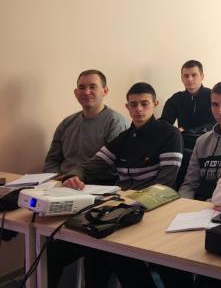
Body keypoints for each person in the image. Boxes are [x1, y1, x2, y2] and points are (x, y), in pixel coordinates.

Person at [53, 83, 184, 288]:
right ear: (127, 107)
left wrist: (125, 205)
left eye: (144, 104)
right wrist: (74, 176)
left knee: (109, 251)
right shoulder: (123, 138)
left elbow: (164, 184)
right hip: (120, 209)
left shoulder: (169, 134)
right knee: (78, 251)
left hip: (152, 210)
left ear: (155, 104)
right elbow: (90, 166)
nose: (138, 109)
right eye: (133, 104)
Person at [43, 69, 128, 177]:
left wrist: (76, 178)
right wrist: (56, 178)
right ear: (76, 93)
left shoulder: (115, 123)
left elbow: (113, 164)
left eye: (93, 87)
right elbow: (52, 160)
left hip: (96, 184)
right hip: (62, 182)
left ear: (105, 91)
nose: (86, 92)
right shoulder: (66, 123)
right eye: (82, 87)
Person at [161, 60, 215, 149]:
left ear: (202, 76)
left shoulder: (213, 96)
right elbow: (164, 123)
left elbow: (218, 123)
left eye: (194, 75)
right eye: (186, 76)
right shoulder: (176, 98)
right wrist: (174, 131)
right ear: (182, 78)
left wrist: (190, 131)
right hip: (185, 145)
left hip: (210, 143)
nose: (189, 79)